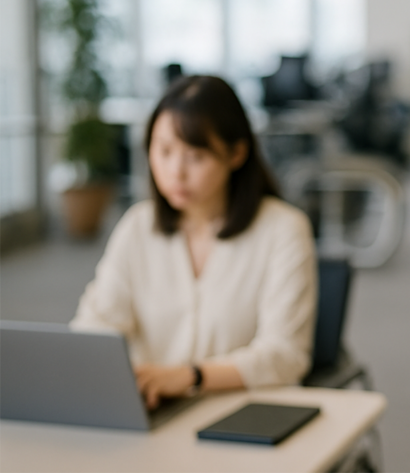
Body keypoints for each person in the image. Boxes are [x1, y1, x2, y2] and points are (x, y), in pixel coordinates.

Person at [70, 75, 317, 409]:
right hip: (157, 411)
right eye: (165, 151)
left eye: (196, 156)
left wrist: (191, 376)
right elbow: (96, 324)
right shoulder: (138, 227)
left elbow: (284, 355)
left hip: (246, 414)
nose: (176, 172)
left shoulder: (283, 229)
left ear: (236, 153)